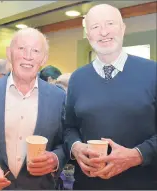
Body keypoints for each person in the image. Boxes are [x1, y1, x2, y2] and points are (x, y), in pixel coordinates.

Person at [64, 4, 157, 190]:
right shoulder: (77, 78)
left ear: (123, 29)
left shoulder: (153, 72)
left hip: (143, 184)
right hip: (88, 184)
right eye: (95, 27)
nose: (104, 32)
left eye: (110, 23)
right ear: (88, 35)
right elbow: (69, 128)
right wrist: (75, 146)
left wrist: (138, 155)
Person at [0, 28, 66, 190]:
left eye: (35, 50)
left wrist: (55, 158)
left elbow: (65, 141)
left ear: (44, 58)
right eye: (21, 48)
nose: (28, 56)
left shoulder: (58, 97)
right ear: (9, 53)